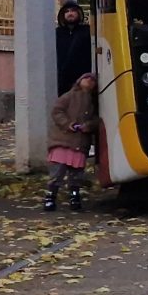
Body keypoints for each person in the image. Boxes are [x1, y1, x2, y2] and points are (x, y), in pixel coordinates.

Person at [45, 72, 97, 211]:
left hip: (80, 143)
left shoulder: (93, 102)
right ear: (79, 81)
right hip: (63, 140)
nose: (90, 81)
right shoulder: (69, 96)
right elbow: (57, 111)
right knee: (57, 172)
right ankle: (50, 197)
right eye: (86, 78)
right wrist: (68, 124)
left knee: (76, 174)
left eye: (92, 80)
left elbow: (97, 120)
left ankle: (75, 197)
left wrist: (89, 126)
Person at [55, 0, 90, 97]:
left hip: (82, 80)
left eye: (73, 10)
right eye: (67, 11)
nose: (70, 13)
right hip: (62, 81)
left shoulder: (87, 31)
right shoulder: (57, 33)